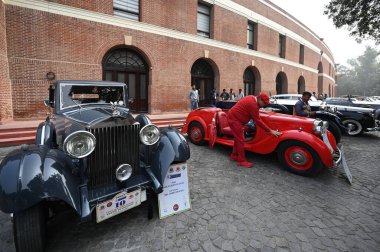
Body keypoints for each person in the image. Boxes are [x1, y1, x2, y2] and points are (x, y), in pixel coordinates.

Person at [227, 94, 282, 168]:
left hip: (234, 118)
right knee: (241, 140)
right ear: (260, 99)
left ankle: (233, 155)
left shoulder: (252, 98)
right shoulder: (253, 105)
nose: (264, 106)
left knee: (238, 139)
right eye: (264, 103)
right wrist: (270, 131)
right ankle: (241, 160)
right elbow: (258, 121)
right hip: (235, 120)